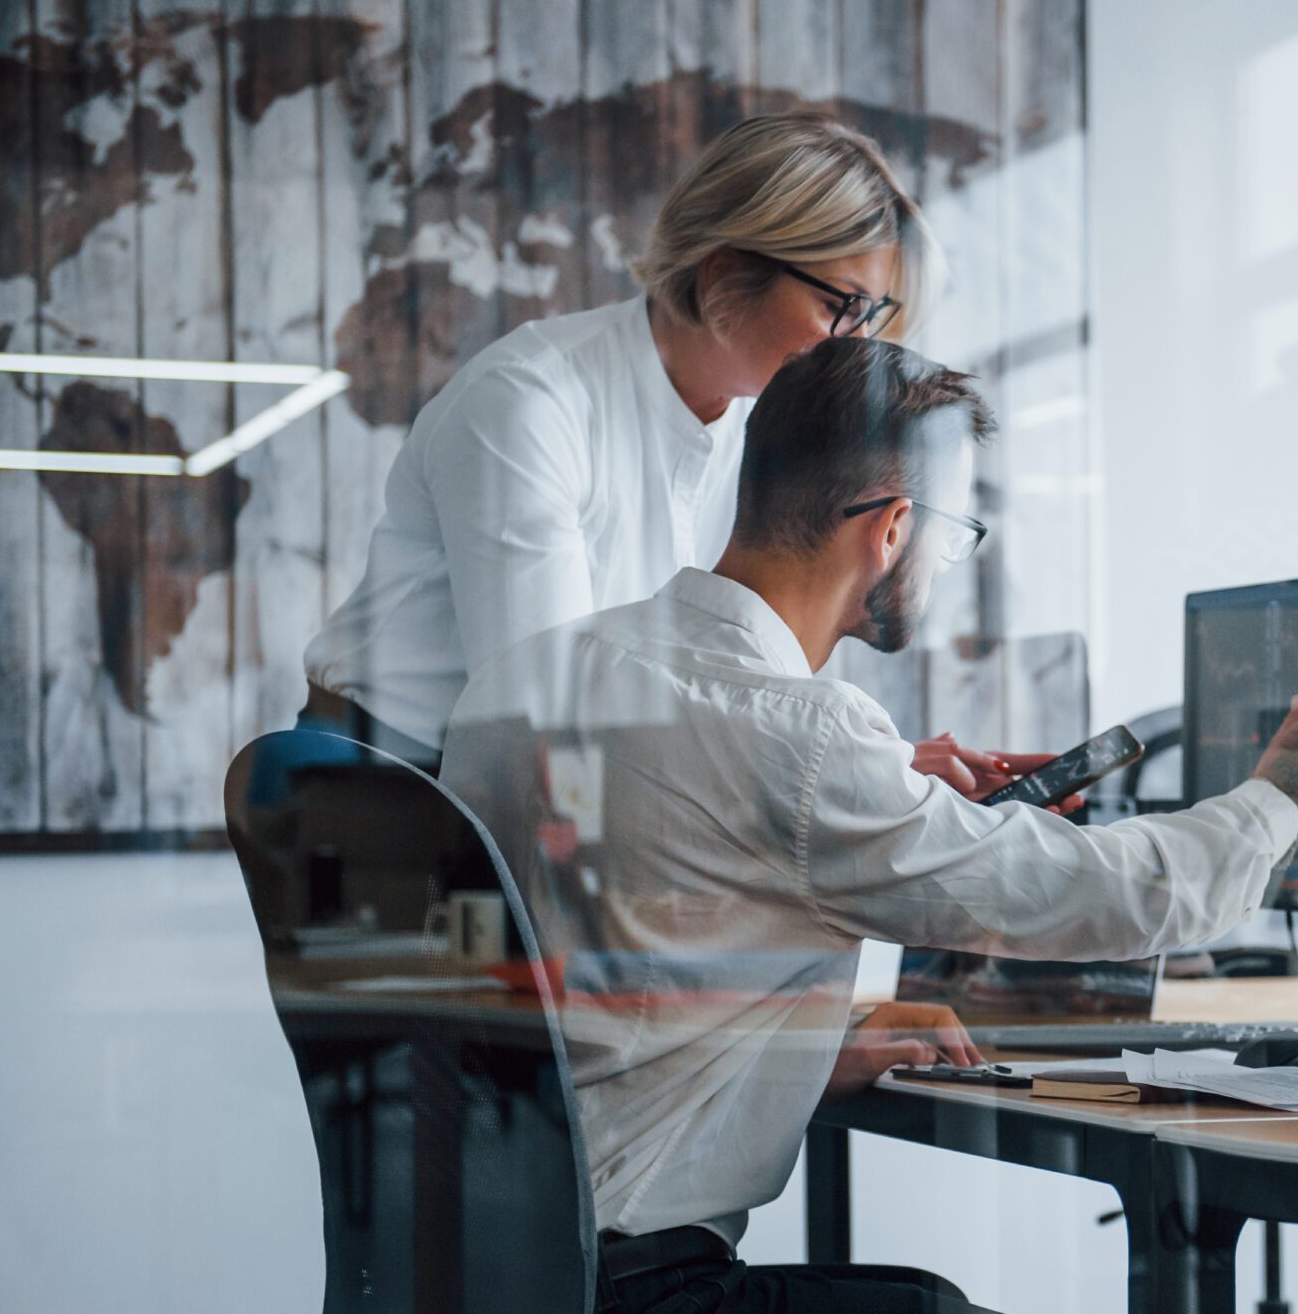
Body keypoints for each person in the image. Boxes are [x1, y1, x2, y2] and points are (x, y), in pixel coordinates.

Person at [438, 335, 1298, 1314]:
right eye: (952, 532)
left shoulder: (531, 678)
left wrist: (791, 1040)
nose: (945, 559)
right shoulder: (797, 734)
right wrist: (1281, 799)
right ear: (888, 525)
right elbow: (1105, 895)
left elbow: (596, 971)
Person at [301, 111, 1024, 799]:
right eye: (841, 305)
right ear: (722, 276)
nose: (858, 348)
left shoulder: (757, 427)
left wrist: (875, 770)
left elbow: (722, 680)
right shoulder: (528, 402)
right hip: (395, 790)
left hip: (560, 781)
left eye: (874, 317)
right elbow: (544, 720)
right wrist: (823, 787)